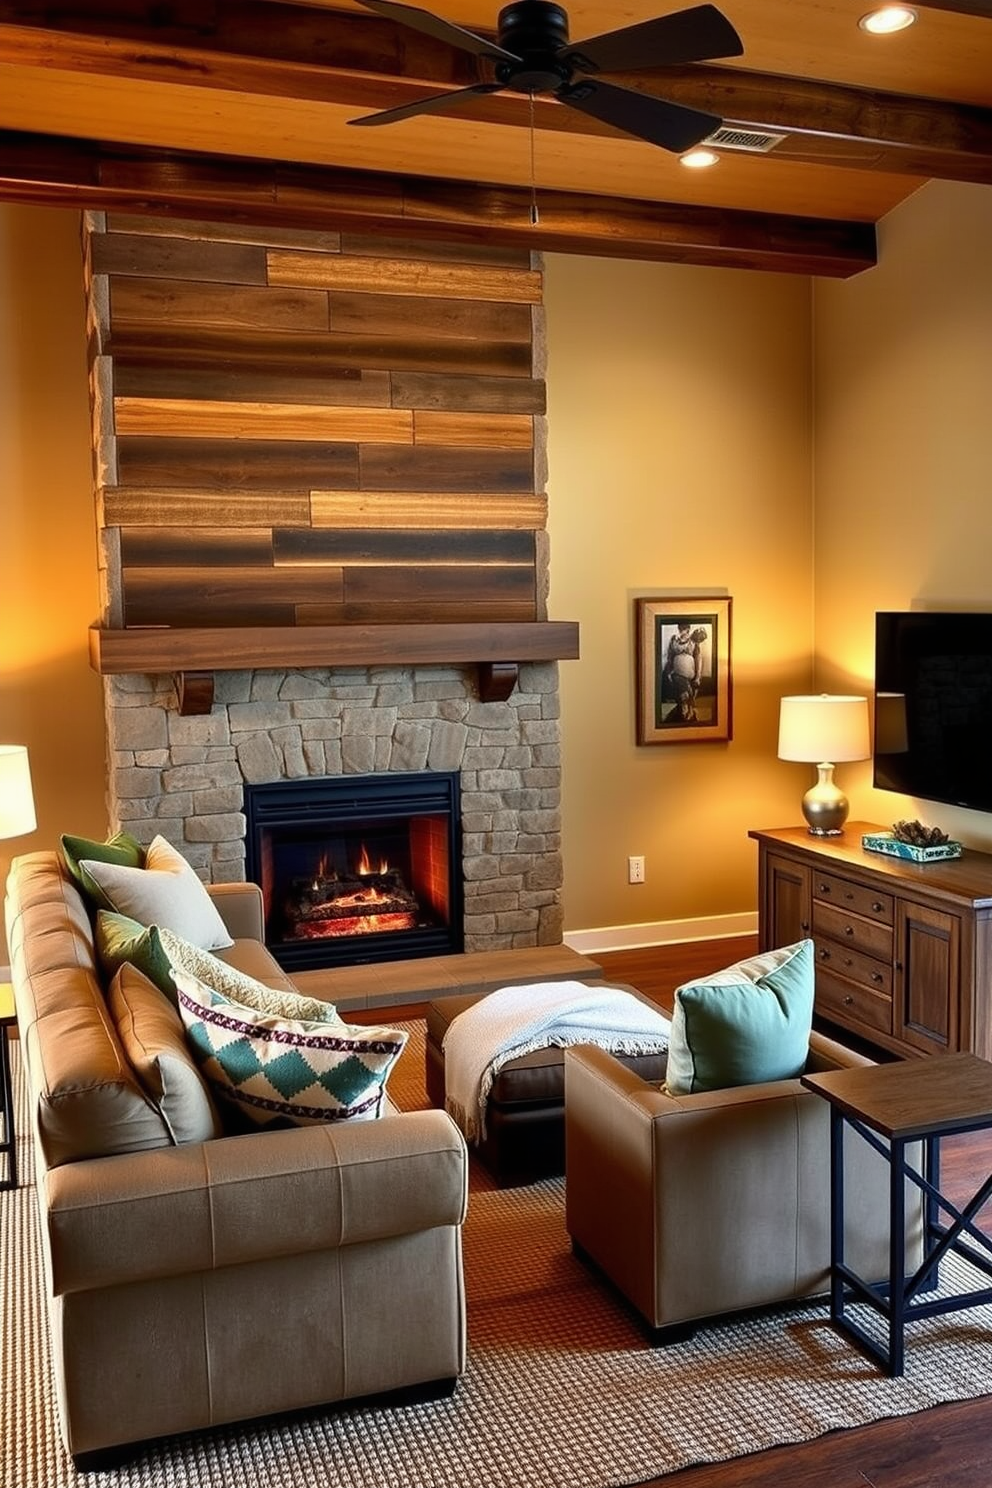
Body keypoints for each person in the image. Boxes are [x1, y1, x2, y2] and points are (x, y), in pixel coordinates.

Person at [662, 622, 704, 723]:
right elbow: (670, 657)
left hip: (691, 676)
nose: (683, 630)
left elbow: (698, 657)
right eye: (681, 628)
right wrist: (668, 672)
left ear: (689, 629)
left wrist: (698, 676)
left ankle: (688, 716)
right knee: (684, 696)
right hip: (677, 675)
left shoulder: (693, 640)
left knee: (690, 698)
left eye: (685, 628)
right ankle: (684, 715)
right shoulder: (674, 640)